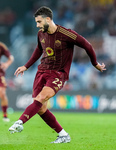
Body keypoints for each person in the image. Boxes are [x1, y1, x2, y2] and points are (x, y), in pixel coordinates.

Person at [8, 6, 106, 143]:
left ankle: (19, 122)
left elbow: (87, 45)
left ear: (48, 19)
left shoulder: (66, 34)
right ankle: (63, 135)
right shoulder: (41, 33)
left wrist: (95, 63)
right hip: (41, 72)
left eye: (39, 22)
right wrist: (26, 66)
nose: (37, 25)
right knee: (41, 108)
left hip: (57, 74)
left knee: (41, 98)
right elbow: (38, 50)